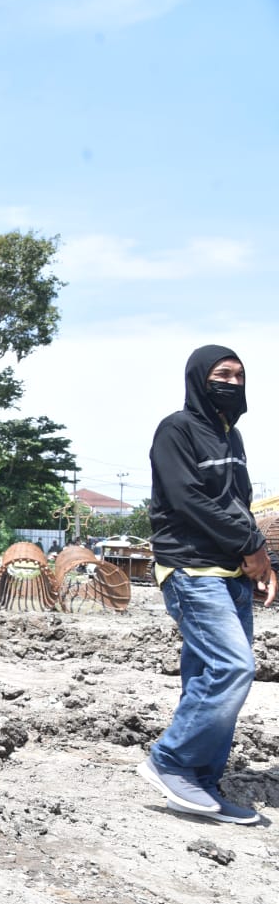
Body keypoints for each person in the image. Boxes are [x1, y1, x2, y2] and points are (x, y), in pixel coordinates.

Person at [137, 345, 274, 824]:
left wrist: (257, 561)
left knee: (205, 679)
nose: (233, 383)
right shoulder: (177, 429)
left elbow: (238, 503)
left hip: (230, 572)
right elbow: (187, 500)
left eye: (239, 375)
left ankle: (198, 784)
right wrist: (251, 545)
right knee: (234, 668)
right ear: (199, 378)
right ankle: (170, 760)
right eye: (222, 374)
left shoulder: (231, 437)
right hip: (191, 571)